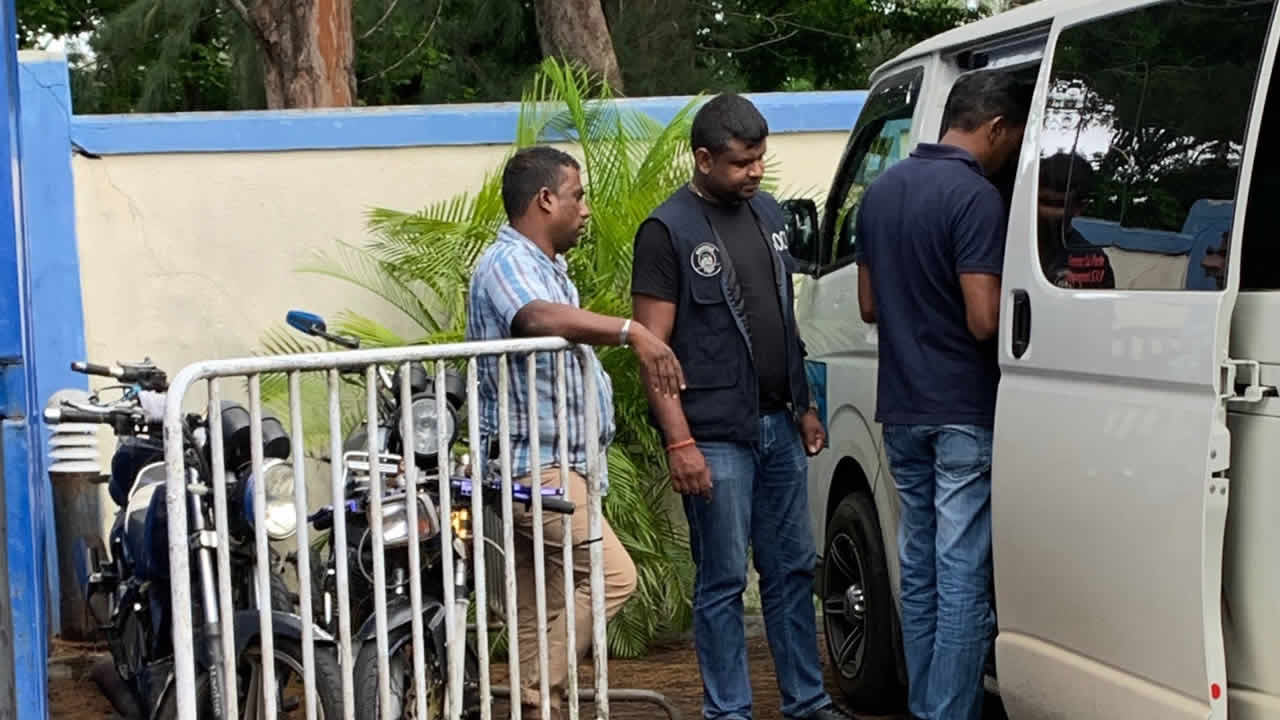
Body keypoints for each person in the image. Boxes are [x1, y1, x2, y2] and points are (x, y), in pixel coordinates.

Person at [631, 93, 850, 720]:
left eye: (760, 159)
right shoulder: (667, 231)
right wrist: (680, 442)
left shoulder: (769, 213)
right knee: (724, 581)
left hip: (780, 426)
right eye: (741, 162)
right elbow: (653, 352)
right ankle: (728, 711)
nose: (755, 172)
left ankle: (806, 701)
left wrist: (805, 405)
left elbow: (784, 319)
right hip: (715, 438)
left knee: (791, 572)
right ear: (703, 160)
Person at [466, 145, 684, 720]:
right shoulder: (507, 261)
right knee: (614, 577)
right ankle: (540, 684)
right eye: (577, 196)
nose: (585, 209)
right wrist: (630, 330)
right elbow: (533, 318)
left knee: (539, 606)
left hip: (550, 464)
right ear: (545, 199)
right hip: (536, 468)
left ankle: (536, 701)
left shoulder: (546, 267)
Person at [854, 70, 1029, 720]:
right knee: (960, 576)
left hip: (902, 406)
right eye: (1011, 141)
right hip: (962, 408)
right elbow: (984, 319)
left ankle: (927, 703)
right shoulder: (975, 197)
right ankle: (946, 710)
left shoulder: (880, 191)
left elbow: (868, 305)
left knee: (920, 566)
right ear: (996, 128)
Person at [1037, 151, 1115, 289]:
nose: (1046, 212)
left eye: (1058, 205)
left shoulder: (1092, 260)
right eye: (1042, 201)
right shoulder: (1006, 241)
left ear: (1079, 207)